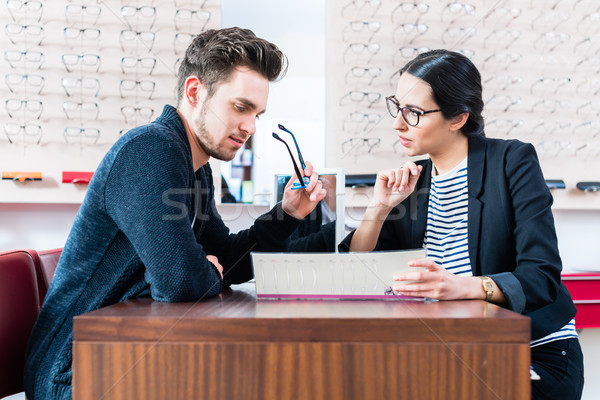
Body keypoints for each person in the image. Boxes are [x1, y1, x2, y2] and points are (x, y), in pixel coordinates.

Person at [24, 27, 326, 399]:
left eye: (257, 114)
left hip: (127, 353)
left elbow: (226, 262)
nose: (249, 127)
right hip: (74, 373)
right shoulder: (150, 149)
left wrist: (288, 214)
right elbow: (180, 280)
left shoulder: (197, 168)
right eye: (240, 107)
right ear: (195, 92)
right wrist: (200, 270)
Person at [340, 49, 584, 399]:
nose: (397, 124)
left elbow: (541, 276)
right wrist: (379, 208)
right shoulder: (413, 181)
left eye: (414, 113)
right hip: (456, 348)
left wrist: (463, 286)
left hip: (531, 348)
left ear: (457, 118)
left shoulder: (512, 161)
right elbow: (358, 268)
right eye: (398, 107)